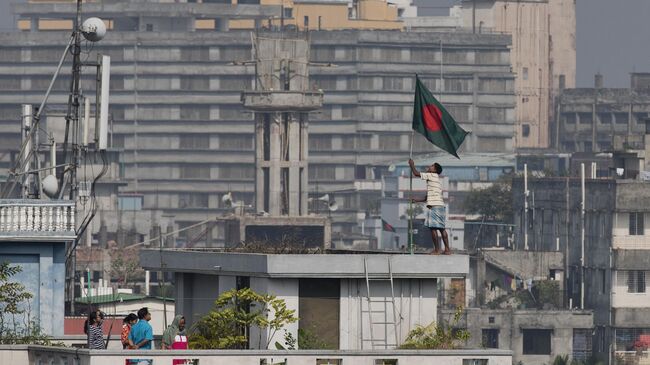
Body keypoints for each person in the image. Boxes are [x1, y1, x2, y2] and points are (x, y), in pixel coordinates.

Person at [408, 158, 451, 255]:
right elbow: (427, 197)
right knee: (442, 228)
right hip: (440, 206)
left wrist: (412, 165)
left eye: (431, 166)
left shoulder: (431, 175)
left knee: (433, 228)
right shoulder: (437, 181)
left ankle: (436, 250)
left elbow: (416, 173)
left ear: (435, 170)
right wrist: (417, 200)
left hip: (434, 207)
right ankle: (447, 249)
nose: (429, 167)